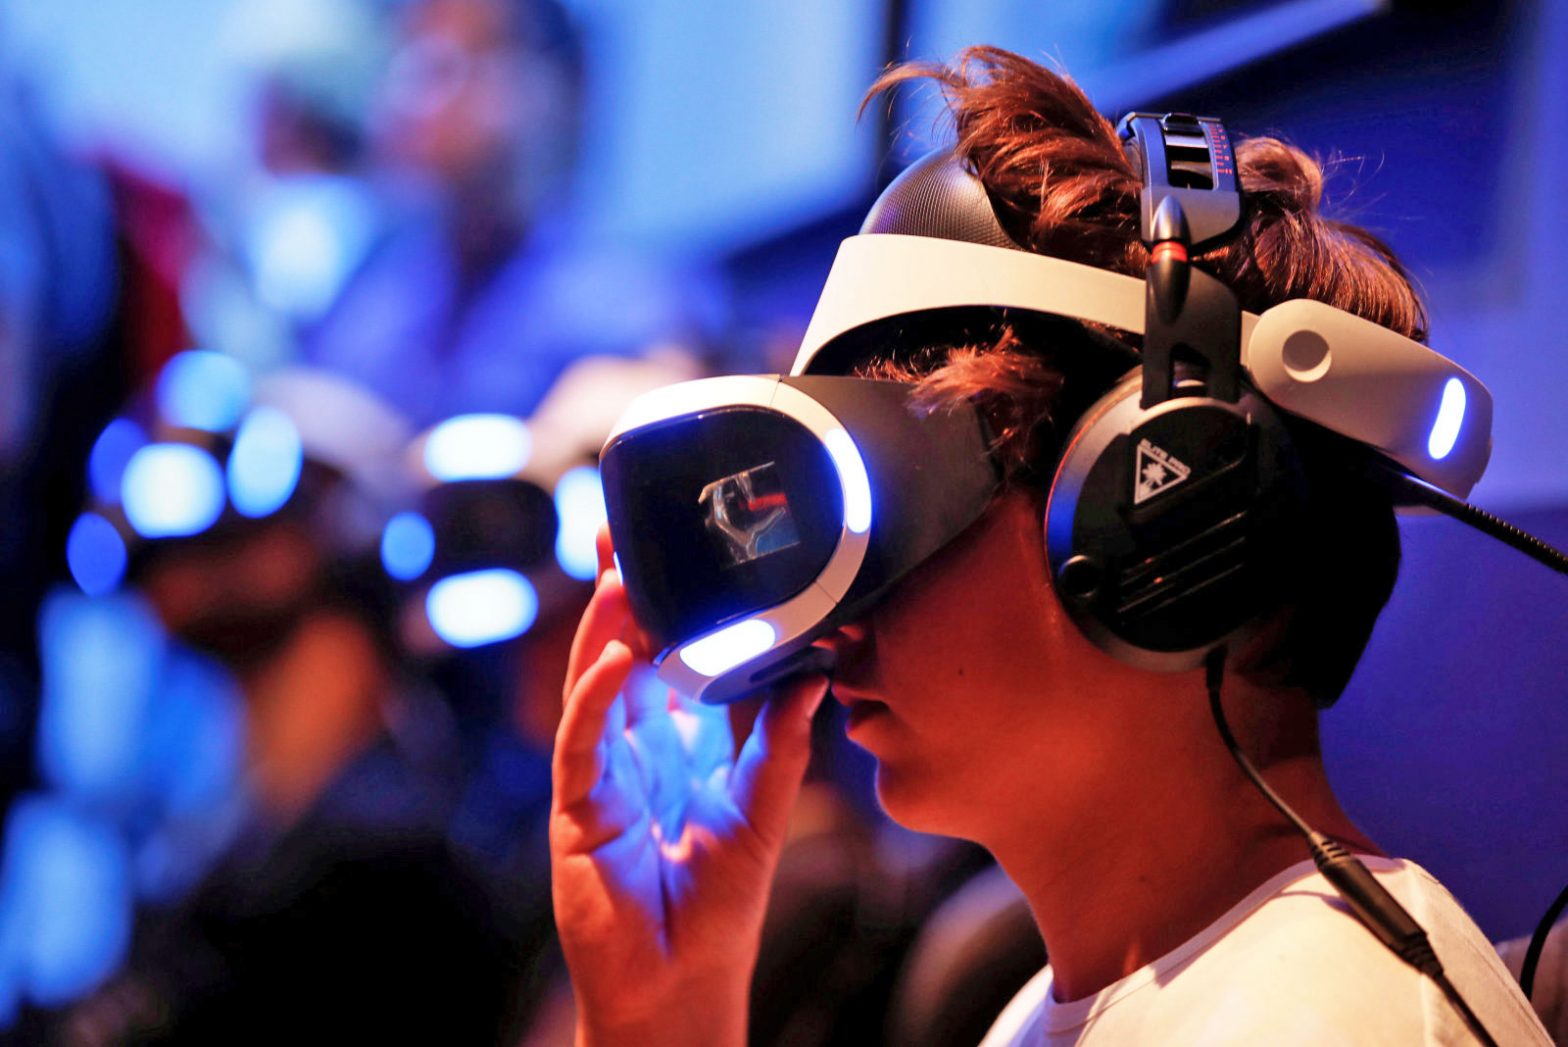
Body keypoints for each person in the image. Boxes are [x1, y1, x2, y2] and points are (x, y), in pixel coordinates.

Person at [547, 48, 1551, 1045]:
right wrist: (660, 1019)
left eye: (889, 513)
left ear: (1156, 507)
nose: (833, 622)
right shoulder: (1074, 1006)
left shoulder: (1316, 1022)